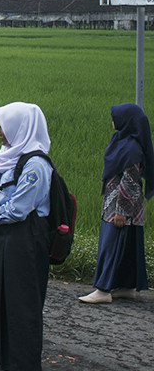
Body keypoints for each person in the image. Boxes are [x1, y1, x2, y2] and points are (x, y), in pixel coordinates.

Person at [0, 102, 52, 371]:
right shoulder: (6, 157)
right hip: (2, 232)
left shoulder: (35, 165)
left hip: (24, 238)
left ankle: (19, 364)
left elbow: (20, 208)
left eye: (4, 127)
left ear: (21, 129)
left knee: (18, 300)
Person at [79, 103, 152, 304]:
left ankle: (103, 290)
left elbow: (130, 182)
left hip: (122, 208)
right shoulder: (122, 141)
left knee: (111, 244)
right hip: (119, 204)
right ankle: (126, 287)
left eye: (116, 117)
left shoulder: (131, 149)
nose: (113, 120)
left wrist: (122, 211)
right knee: (126, 245)